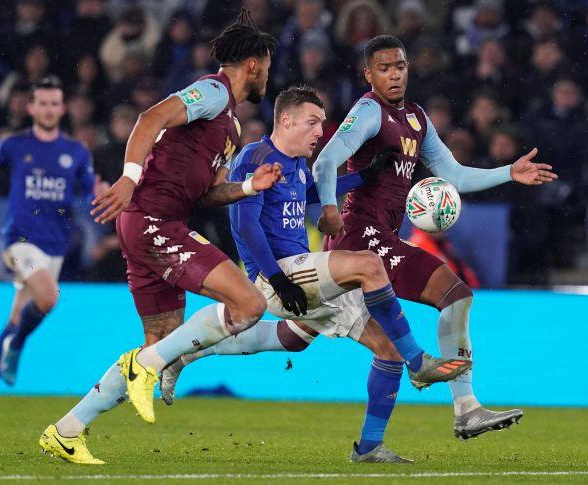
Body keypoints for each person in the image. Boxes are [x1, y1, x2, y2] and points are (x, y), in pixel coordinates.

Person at [160, 86, 471, 463]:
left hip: (302, 270)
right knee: (368, 264)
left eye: (322, 123)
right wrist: (275, 279)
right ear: (286, 121)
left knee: (375, 348)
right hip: (276, 275)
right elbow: (246, 227)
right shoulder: (255, 158)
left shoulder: (294, 164)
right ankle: (419, 363)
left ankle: (370, 447)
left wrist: (366, 176)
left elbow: (310, 194)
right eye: (312, 123)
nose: (319, 132)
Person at [38, 10, 281, 465]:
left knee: (160, 348)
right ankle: (146, 367)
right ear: (253, 63)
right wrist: (129, 177)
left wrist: (250, 187)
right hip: (153, 221)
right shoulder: (212, 91)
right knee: (249, 305)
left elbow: (208, 194)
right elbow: (149, 118)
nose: (269, 73)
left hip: (150, 225)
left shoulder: (227, 123)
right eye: (267, 64)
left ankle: (67, 430)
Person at [314, 35, 558, 439]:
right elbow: (326, 162)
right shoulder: (369, 111)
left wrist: (508, 173)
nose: (394, 74)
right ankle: (466, 408)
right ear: (368, 74)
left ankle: (372, 445)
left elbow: (455, 174)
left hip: (380, 237)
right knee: (455, 294)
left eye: (400, 66)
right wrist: (328, 206)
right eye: (384, 68)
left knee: (302, 335)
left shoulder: (416, 118)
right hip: (360, 235)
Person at [0, 76, 108, 410]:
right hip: (19, 240)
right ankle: (15, 349)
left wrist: (97, 192)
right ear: (31, 107)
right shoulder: (15, 145)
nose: (49, 109)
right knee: (49, 296)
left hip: (54, 245)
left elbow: (86, 189)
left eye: (55, 103)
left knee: (20, 313)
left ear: (62, 108)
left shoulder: (76, 151)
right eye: (42, 102)